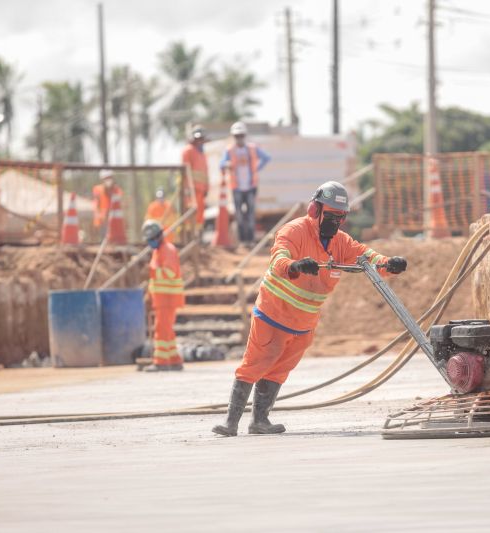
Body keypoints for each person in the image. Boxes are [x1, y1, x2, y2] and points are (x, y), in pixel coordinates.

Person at [212, 181, 408, 436]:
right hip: (273, 316)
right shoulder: (293, 231)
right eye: (330, 215)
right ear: (315, 210)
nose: (334, 222)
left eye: (340, 217)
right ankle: (231, 422)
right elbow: (278, 259)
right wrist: (295, 266)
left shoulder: (341, 243)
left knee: (279, 370)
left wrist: (388, 263)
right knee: (256, 364)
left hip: (303, 324)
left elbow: (364, 255)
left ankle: (260, 421)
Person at [219, 121, 271, 246]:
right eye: (237, 136)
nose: (239, 138)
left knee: (250, 214)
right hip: (236, 187)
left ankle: (250, 240)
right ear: (233, 136)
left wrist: (256, 169)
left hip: (251, 186)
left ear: (245, 135)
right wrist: (227, 165)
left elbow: (266, 158)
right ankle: (243, 241)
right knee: (239, 215)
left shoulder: (252, 148)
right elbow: (221, 165)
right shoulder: (230, 150)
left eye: (241, 135)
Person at [142, 219, 184, 372]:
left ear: (159, 236)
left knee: (161, 329)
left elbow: (170, 272)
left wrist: (153, 272)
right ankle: (174, 359)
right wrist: (150, 293)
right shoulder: (158, 251)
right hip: (161, 298)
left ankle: (160, 361)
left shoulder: (168, 250)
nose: (151, 242)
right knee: (167, 330)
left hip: (168, 298)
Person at [181, 124, 210, 234]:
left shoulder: (202, 153)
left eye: (201, 139)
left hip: (201, 190)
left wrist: (207, 187)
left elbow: (205, 172)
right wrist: (187, 188)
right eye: (197, 138)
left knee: (200, 214)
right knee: (191, 213)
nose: (199, 141)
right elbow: (185, 170)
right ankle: (190, 235)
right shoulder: (188, 151)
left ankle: (198, 235)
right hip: (191, 190)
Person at [92, 169, 125, 241]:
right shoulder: (97, 189)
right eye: (106, 178)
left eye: (110, 177)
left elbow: (120, 202)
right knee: (104, 239)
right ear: (102, 179)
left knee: (115, 239)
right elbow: (96, 204)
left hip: (115, 220)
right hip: (103, 220)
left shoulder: (117, 190)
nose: (108, 180)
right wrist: (101, 216)